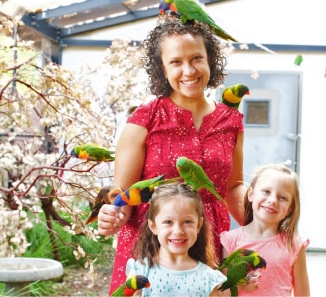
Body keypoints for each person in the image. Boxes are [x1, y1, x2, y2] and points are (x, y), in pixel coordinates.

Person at [97, 16, 245, 294]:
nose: (188, 70)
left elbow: (233, 187)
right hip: (151, 250)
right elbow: (125, 192)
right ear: (162, 70)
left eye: (197, 58)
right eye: (176, 62)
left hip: (210, 246)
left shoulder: (232, 121)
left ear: (210, 60)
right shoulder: (144, 119)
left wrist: (268, 222)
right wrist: (113, 214)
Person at [220, 164, 310, 296]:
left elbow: (303, 294)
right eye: (266, 192)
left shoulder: (294, 245)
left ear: (290, 209)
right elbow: (223, 290)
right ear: (250, 194)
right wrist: (241, 285)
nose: (273, 200)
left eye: (282, 197)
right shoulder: (231, 240)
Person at [125, 182, 228, 296]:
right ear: (153, 226)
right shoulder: (140, 272)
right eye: (168, 222)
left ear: (198, 225)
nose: (178, 231)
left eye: (187, 222)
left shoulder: (209, 279)